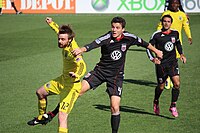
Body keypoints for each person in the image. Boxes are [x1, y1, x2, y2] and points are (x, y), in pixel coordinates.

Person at [41, 16, 163, 133]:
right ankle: (53, 113)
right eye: (113, 27)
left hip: (116, 76)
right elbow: (94, 44)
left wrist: (157, 51)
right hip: (100, 72)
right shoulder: (107, 37)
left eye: (117, 28)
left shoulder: (129, 37)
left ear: (123, 29)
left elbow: (143, 43)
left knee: (115, 107)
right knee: (76, 91)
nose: (114, 30)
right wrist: (82, 49)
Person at [27, 17, 87, 133]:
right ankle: (41, 117)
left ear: (70, 40)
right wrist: (51, 23)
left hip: (71, 87)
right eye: (59, 39)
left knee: (62, 116)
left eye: (62, 40)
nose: (60, 41)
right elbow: (58, 30)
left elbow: (82, 64)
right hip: (62, 80)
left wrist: (77, 74)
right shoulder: (65, 39)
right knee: (40, 92)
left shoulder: (74, 50)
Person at [147, 14, 186, 117]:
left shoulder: (175, 33)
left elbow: (178, 44)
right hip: (161, 64)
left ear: (171, 23)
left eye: (168, 21)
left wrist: (181, 54)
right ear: (162, 22)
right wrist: (152, 58)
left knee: (177, 84)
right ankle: (156, 101)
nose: (166, 23)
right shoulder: (156, 35)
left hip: (173, 62)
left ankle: (173, 105)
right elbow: (148, 47)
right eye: (164, 21)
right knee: (161, 87)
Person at [158, 0, 192, 89]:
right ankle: (167, 79)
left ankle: (172, 77)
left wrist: (189, 36)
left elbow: (186, 26)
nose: (174, 5)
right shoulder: (166, 13)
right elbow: (159, 25)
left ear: (179, 4)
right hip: (165, 41)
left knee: (174, 59)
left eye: (176, 3)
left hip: (176, 41)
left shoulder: (182, 15)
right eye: (172, 3)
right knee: (166, 58)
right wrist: (158, 35)